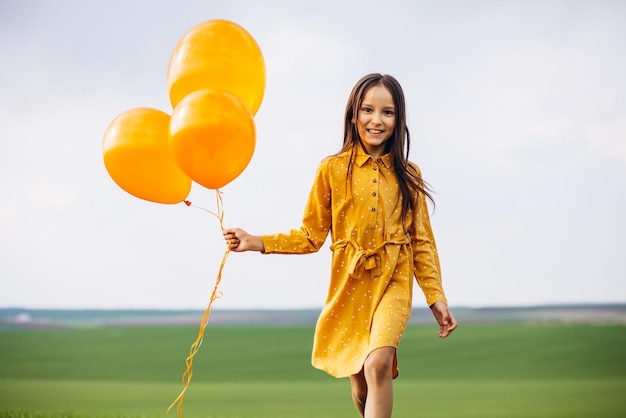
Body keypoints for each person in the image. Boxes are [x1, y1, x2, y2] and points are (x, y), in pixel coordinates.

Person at [223, 73, 457, 418]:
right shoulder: (331, 170)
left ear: (399, 119)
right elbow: (310, 236)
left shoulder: (410, 175)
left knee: (378, 363)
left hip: (395, 277)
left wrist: (435, 297)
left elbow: (421, 240)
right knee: (361, 382)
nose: (376, 120)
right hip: (350, 283)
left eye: (387, 113)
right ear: (353, 115)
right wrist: (256, 241)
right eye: (368, 110)